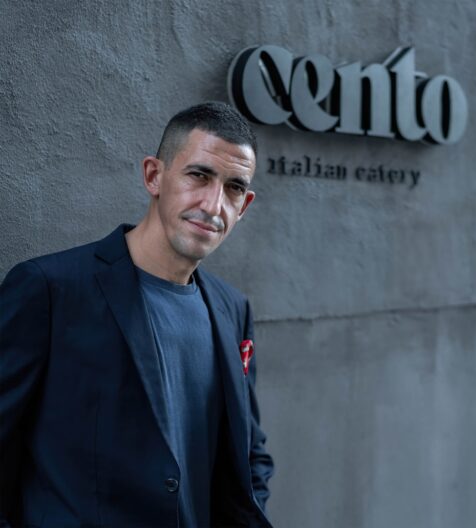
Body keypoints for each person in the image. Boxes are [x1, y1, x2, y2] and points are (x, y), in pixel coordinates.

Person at [0, 102, 274, 527]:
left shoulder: (232, 309)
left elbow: (248, 451)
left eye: (234, 187)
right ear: (154, 176)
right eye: (199, 175)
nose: (213, 204)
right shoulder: (49, 289)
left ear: (245, 205)